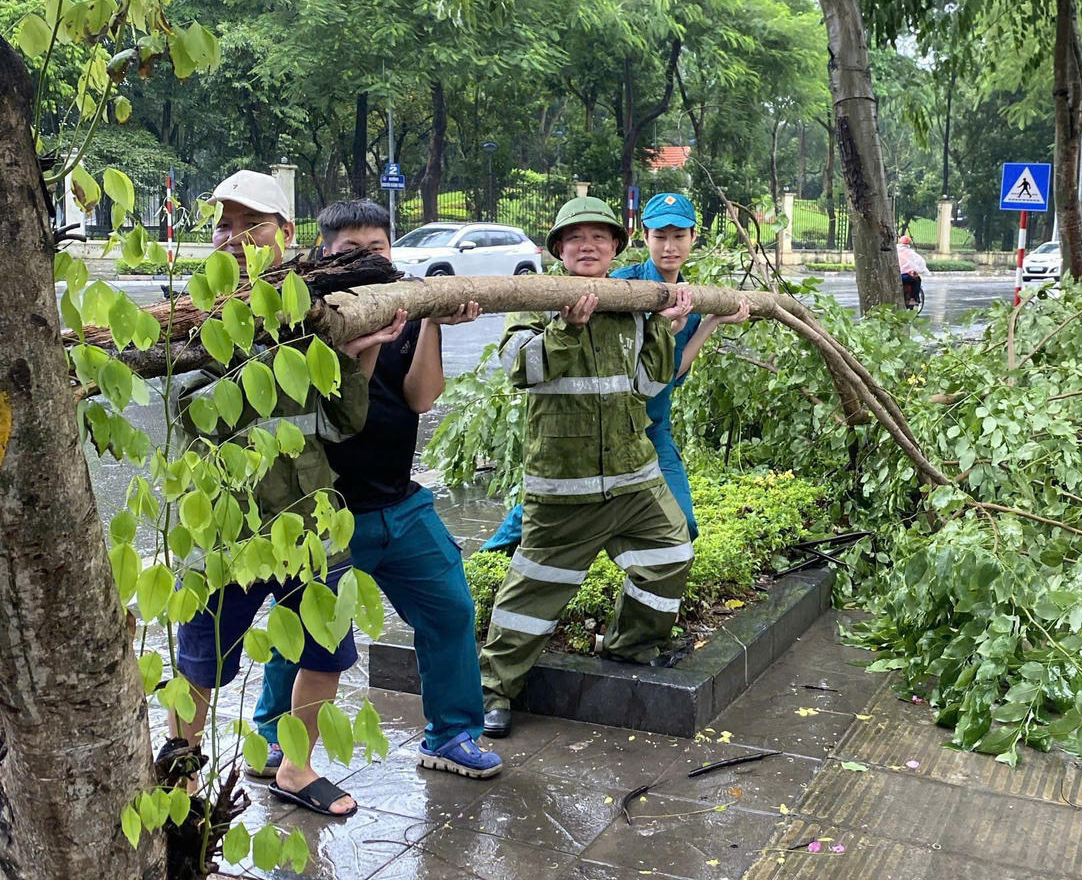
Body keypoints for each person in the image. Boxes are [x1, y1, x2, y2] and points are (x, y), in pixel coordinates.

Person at [170, 171, 407, 820]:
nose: (235, 238)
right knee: (198, 664)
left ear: (285, 235)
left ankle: (297, 770)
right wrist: (256, 346)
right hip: (229, 530)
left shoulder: (313, 308)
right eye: (225, 225)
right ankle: (180, 781)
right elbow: (195, 414)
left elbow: (338, 423)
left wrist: (360, 354)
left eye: (253, 225)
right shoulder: (196, 311)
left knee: (326, 652)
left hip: (310, 521)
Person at [251, 199, 503, 780]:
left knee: (451, 611)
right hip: (323, 511)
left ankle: (451, 734)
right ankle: (273, 734)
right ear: (323, 256)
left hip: (399, 503)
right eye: (349, 251)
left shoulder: (407, 312)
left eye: (378, 249)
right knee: (307, 628)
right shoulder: (303, 319)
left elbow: (421, 399)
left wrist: (434, 319)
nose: (366, 260)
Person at [478, 196, 694, 739]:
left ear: (617, 247)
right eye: (575, 238)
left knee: (671, 556)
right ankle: (493, 693)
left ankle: (629, 645)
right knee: (534, 592)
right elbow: (521, 369)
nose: (588, 245)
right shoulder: (536, 302)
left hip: (633, 479)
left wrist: (665, 328)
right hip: (563, 488)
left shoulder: (630, 304)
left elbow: (646, 388)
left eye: (600, 237)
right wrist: (567, 330)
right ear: (558, 251)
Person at [481, 192, 749, 547]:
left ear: (693, 238)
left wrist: (709, 321)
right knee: (544, 510)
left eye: (679, 236)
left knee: (679, 524)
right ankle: (491, 556)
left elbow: (673, 372)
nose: (670, 247)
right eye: (660, 236)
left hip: (652, 426)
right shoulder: (618, 287)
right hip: (600, 427)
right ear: (643, 236)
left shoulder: (688, 297)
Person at [897, 231, 930, 310]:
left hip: (893, 276)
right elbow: (920, 263)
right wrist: (923, 271)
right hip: (904, 277)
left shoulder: (895, 251)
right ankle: (913, 299)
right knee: (917, 280)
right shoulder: (910, 253)